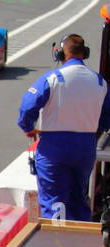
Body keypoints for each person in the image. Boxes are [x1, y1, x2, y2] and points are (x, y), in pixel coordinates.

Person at [18, 34, 110, 221]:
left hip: (55, 146)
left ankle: (56, 243)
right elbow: (107, 117)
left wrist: (28, 127)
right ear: (85, 53)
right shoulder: (100, 82)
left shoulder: (53, 78)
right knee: (78, 199)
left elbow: (28, 106)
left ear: (60, 54)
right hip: (85, 146)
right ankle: (79, 244)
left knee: (54, 203)